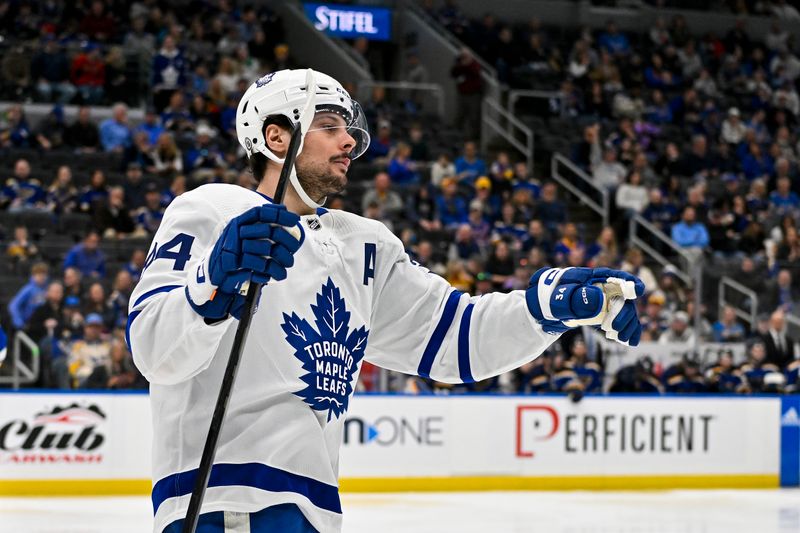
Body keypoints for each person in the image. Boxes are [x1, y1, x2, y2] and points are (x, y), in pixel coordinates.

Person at [127, 68, 645, 533]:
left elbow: (455, 341)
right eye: (329, 126)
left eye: (348, 128)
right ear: (276, 136)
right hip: (226, 502)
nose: (349, 139)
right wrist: (211, 284)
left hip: (313, 509)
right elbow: (154, 351)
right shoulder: (214, 209)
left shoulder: (365, 244)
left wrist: (545, 310)